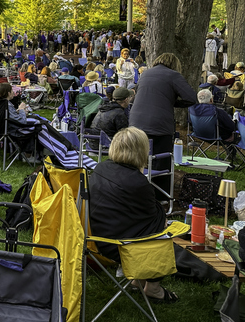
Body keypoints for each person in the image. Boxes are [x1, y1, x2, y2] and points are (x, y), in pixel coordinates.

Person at [88, 127, 177, 303]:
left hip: (95, 235)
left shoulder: (101, 168)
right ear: (141, 151)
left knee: (152, 225)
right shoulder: (138, 183)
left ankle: (137, 281)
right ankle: (154, 289)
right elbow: (155, 216)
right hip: (118, 245)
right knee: (162, 231)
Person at [129, 53, 196, 197]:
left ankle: (134, 191)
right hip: (158, 124)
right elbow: (191, 97)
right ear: (175, 65)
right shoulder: (173, 75)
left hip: (136, 121)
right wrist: (172, 102)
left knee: (136, 159)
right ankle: (161, 196)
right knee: (161, 161)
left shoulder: (145, 74)